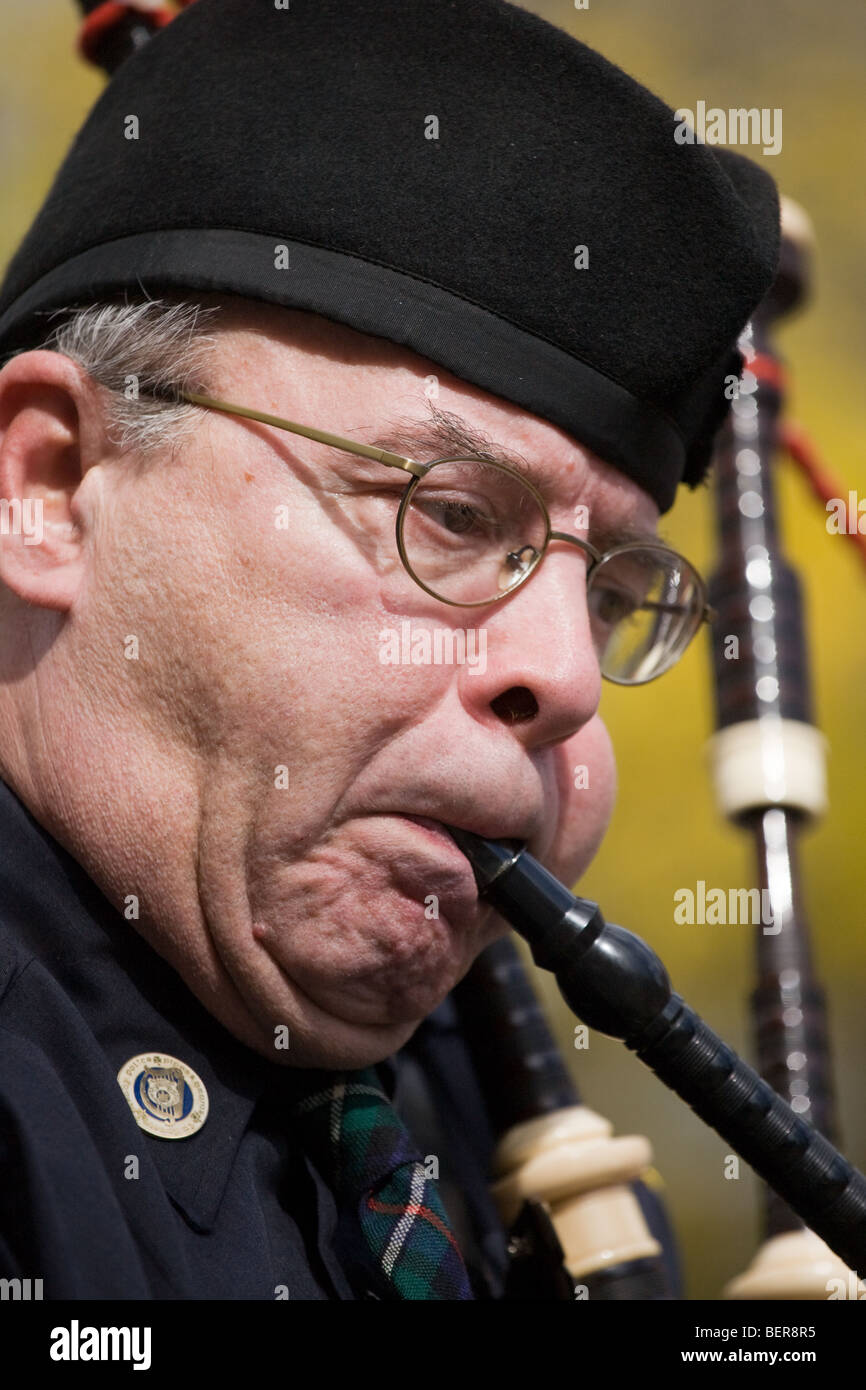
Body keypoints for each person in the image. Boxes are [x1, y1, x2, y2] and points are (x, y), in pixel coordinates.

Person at [0, 0, 779, 1300]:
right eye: (453, 515)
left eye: (603, 594)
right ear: (53, 483)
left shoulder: (492, 1152)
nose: (568, 682)